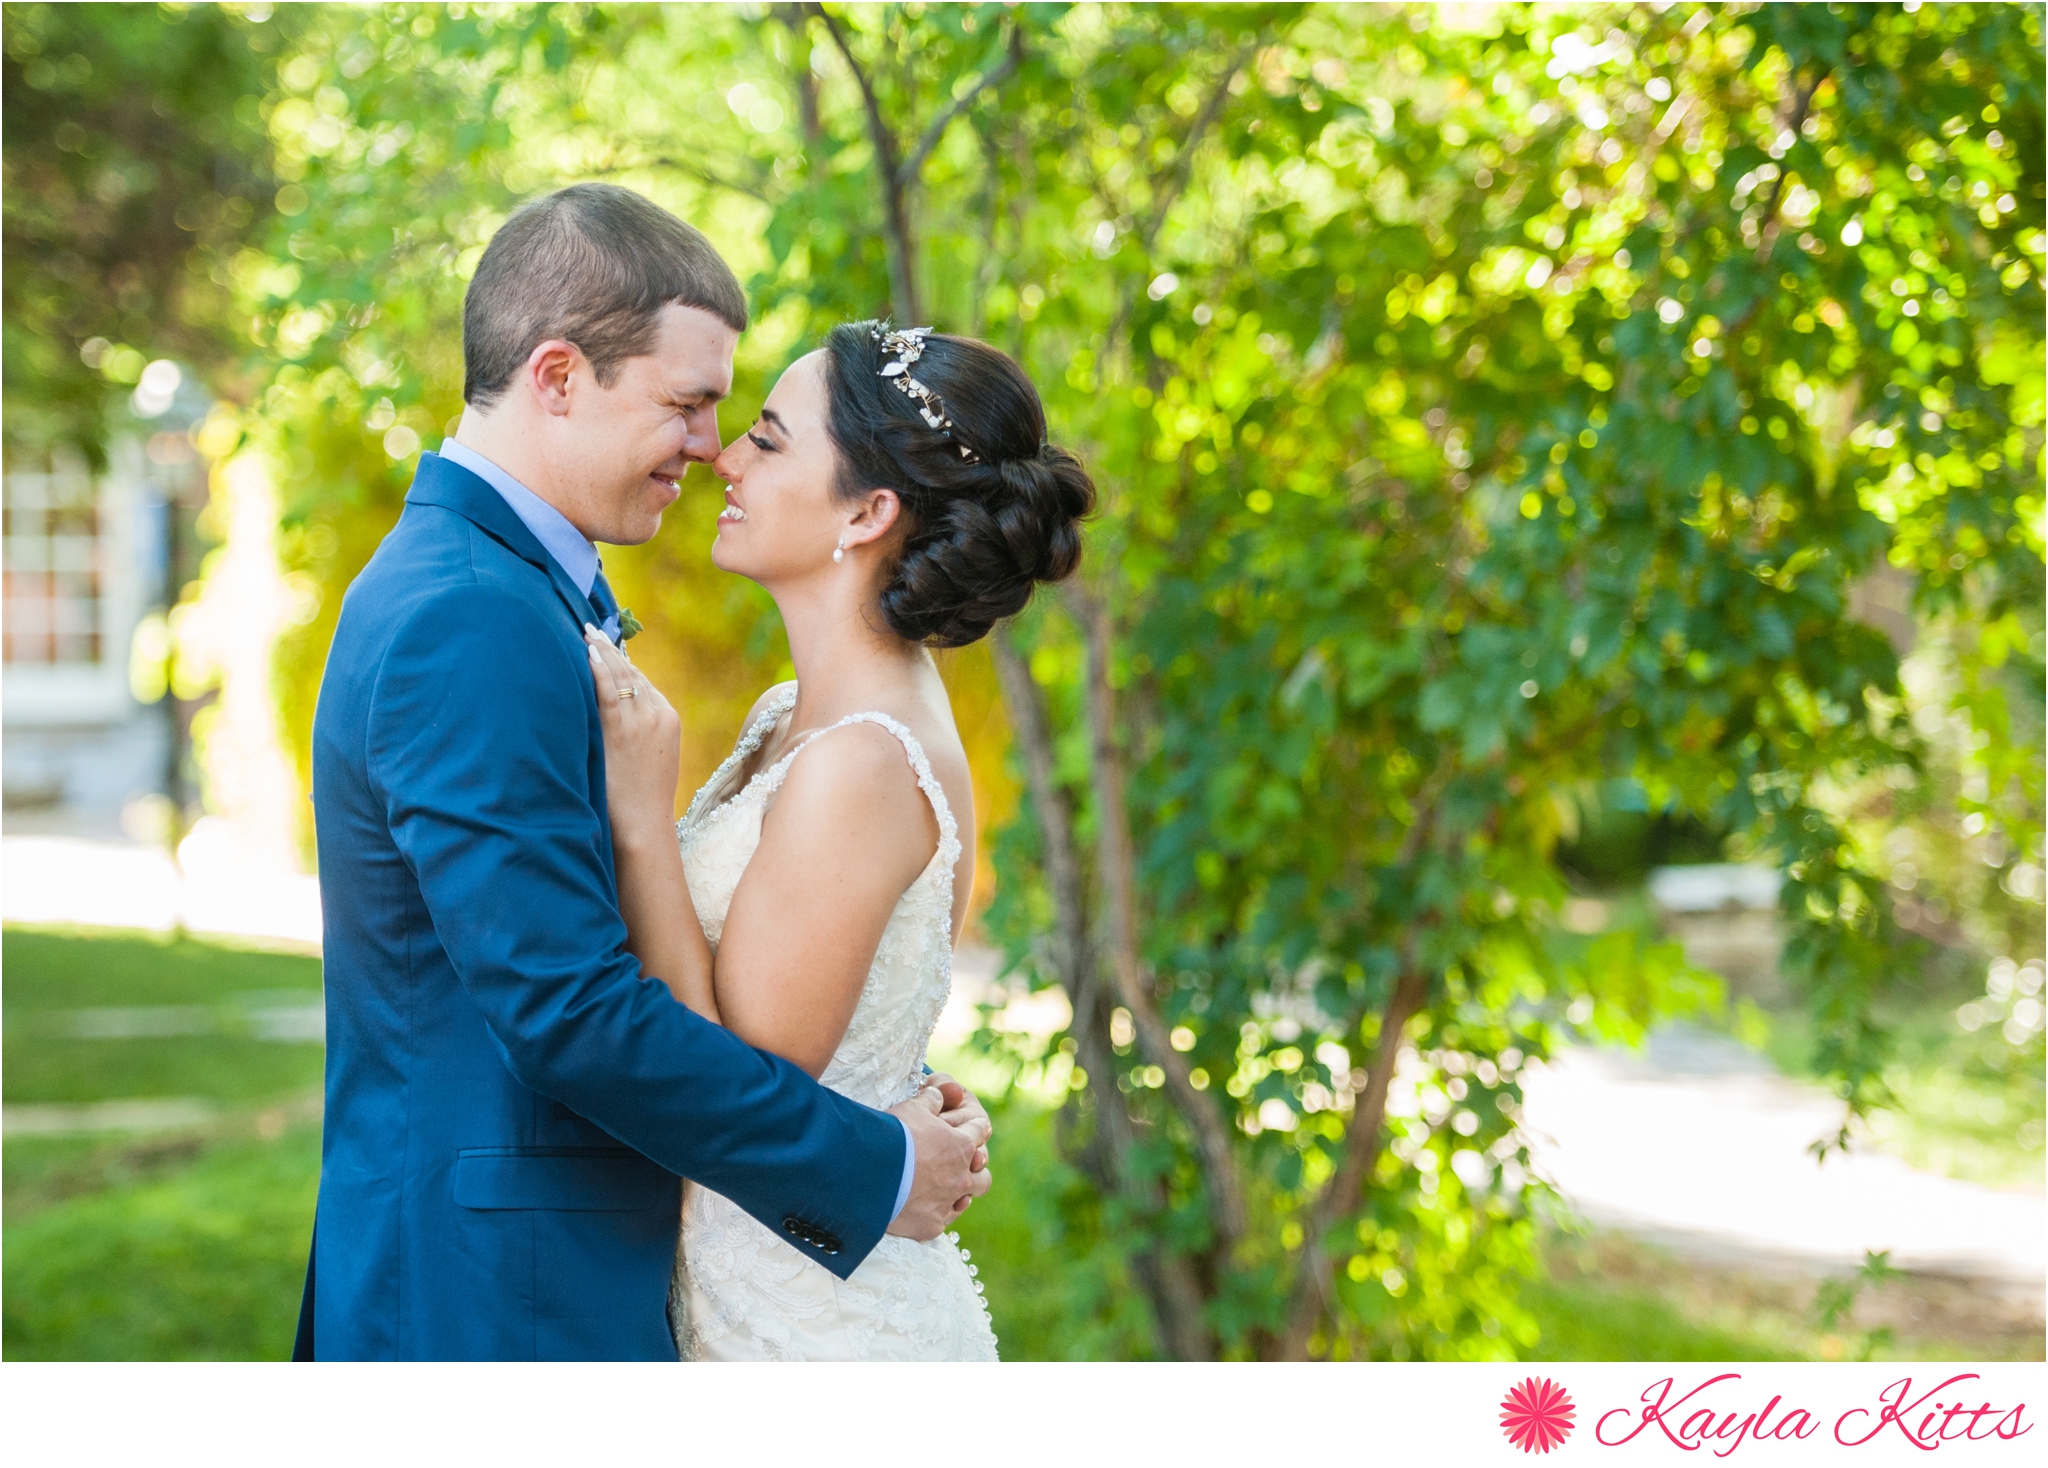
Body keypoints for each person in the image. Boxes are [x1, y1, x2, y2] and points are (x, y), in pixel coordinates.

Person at [296, 184, 990, 1362]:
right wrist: (868, 1164)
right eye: (691, 405)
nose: (713, 449)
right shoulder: (470, 614)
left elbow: (761, 964)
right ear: (559, 378)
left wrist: (887, 1071)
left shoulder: (509, 590)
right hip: (495, 1305)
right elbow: (567, 1009)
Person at [585, 319, 1094, 1359]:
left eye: (768, 438)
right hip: (757, 1284)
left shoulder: (864, 759)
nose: (721, 454)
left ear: (866, 511)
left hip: (814, 1332)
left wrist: (642, 818)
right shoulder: (797, 713)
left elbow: (734, 1081)